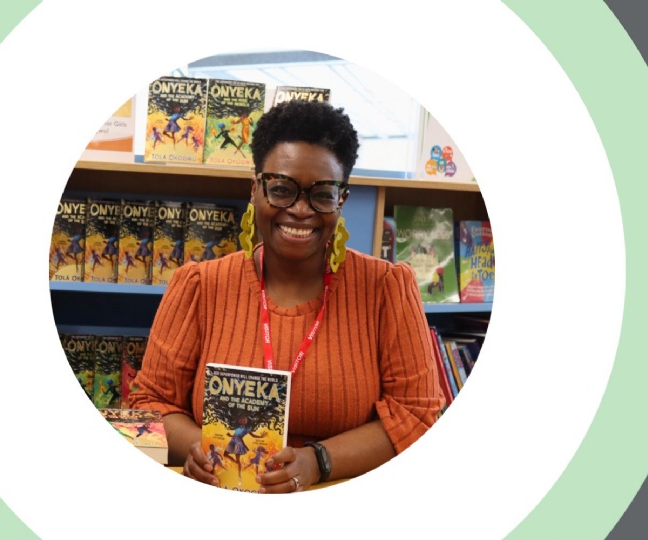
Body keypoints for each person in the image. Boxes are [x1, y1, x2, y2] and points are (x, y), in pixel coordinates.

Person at [129, 99, 444, 494]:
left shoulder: (386, 288)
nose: (299, 210)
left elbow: (416, 414)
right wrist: (197, 446)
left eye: (323, 194)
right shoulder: (198, 285)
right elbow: (149, 405)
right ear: (255, 189)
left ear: (341, 199)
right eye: (281, 189)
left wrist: (318, 460)